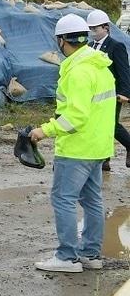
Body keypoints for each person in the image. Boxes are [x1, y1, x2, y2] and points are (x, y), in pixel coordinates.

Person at [28, 14, 117, 273]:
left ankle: (67, 257)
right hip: (98, 146)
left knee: (63, 199)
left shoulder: (78, 71)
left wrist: (44, 131)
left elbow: (76, 116)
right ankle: (90, 254)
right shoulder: (100, 67)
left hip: (77, 148)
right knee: (92, 200)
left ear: (61, 40)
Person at [86, 8, 130, 170]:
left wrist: (124, 93)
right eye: (90, 29)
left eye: (95, 29)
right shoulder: (90, 47)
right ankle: (103, 159)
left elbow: (124, 71)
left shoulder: (115, 46)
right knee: (98, 125)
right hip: (95, 94)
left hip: (112, 93)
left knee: (110, 124)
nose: (92, 32)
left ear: (106, 28)